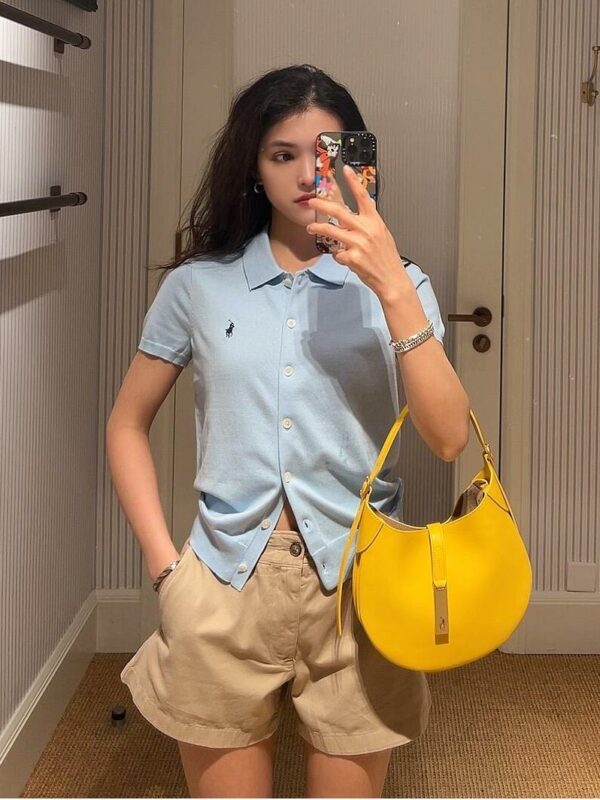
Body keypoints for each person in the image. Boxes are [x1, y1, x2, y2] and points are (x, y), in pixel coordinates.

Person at [106, 63, 470, 798]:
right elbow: (126, 423)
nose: (308, 174)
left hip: (361, 586)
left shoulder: (400, 285)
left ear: (358, 162)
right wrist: (166, 570)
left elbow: (449, 439)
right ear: (254, 167)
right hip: (224, 582)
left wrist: (391, 287)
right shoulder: (198, 286)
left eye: (326, 152)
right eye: (283, 154)